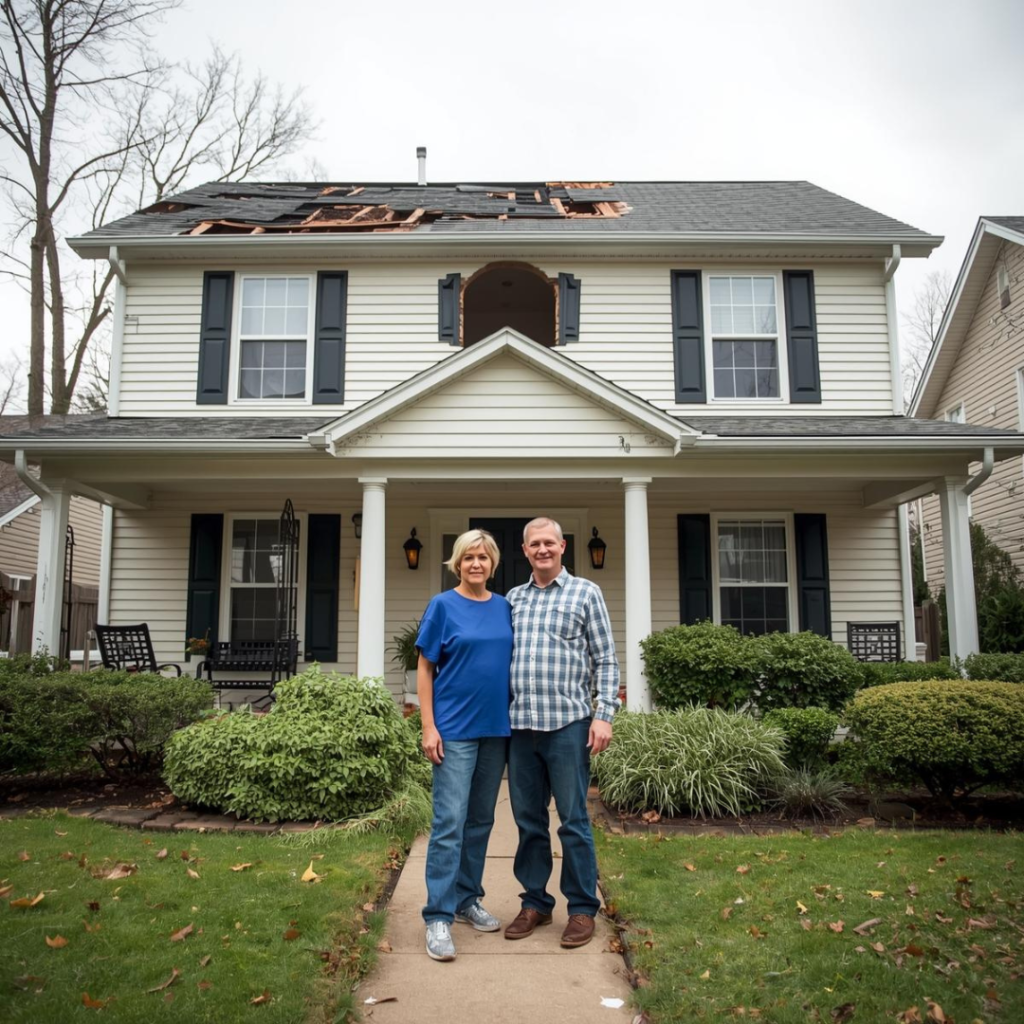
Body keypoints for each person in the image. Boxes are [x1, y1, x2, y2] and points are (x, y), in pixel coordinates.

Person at [503, 516, 620, 949]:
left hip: (568, 726)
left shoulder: (586, 593)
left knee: (573, 822)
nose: (543, 550)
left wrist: (604, 714)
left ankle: (582, 909)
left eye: (549, 542)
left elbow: (606, 659)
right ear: (525, 549)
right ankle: (535, 902)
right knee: (528, 822)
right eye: (535, 544)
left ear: (563, 546)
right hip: (520, 728)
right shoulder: (512, 599)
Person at [416, 529, 512, 962]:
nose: (476, 564)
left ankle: (467, 898)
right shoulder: (442, 606)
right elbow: (425, 667)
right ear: (457, 563)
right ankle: (437, 915)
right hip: (453, 730)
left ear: (493, 564)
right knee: (449, 823)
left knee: (480, 822)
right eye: (469, 557)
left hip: (496, 730)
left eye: (484, 557)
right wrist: (428, 726)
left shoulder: (504, 608)